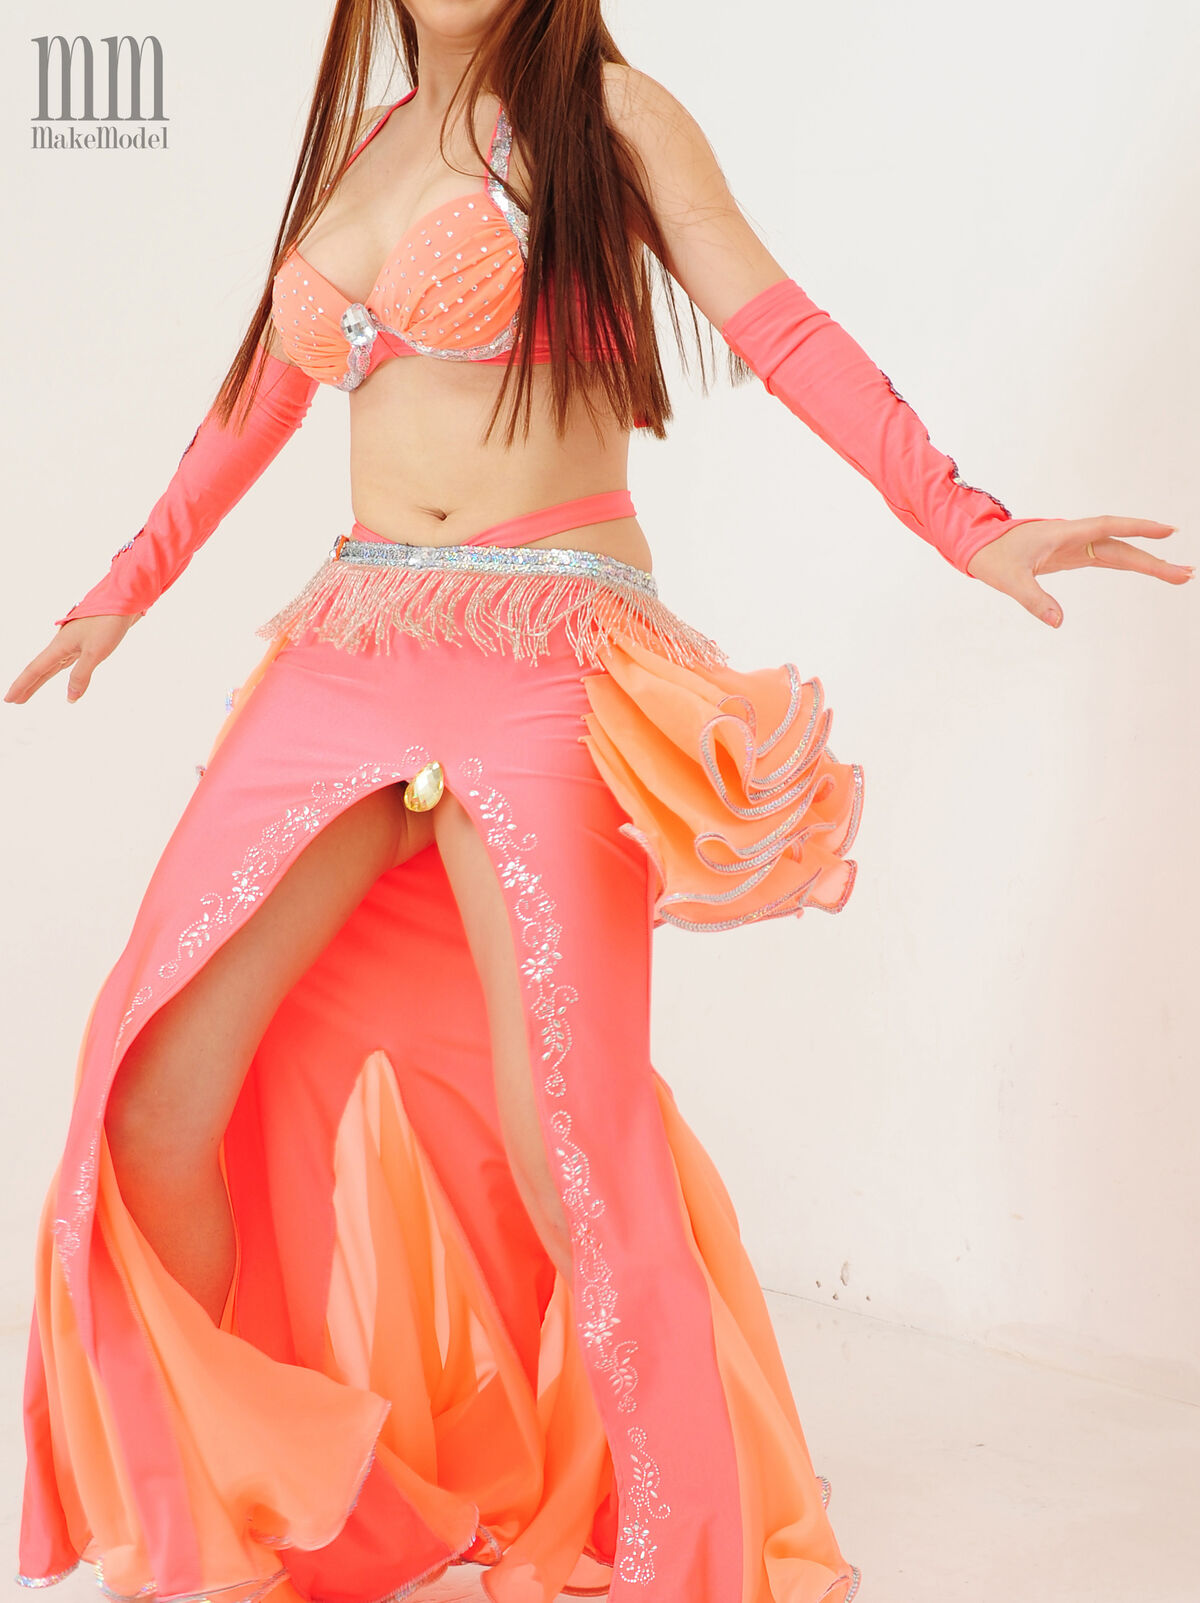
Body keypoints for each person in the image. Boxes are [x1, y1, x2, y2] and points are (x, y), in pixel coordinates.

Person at [7, 3, 1188, 1601]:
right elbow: (259, 404)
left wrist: (967, 522)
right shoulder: (359, 151)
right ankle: (275, 1508)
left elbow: (784, 331)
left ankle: (681, 1544)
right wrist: (122, 587)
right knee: (151, 1093)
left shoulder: (614, 122)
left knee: (569, 1135)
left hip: (551, 642)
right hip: (355, 636)